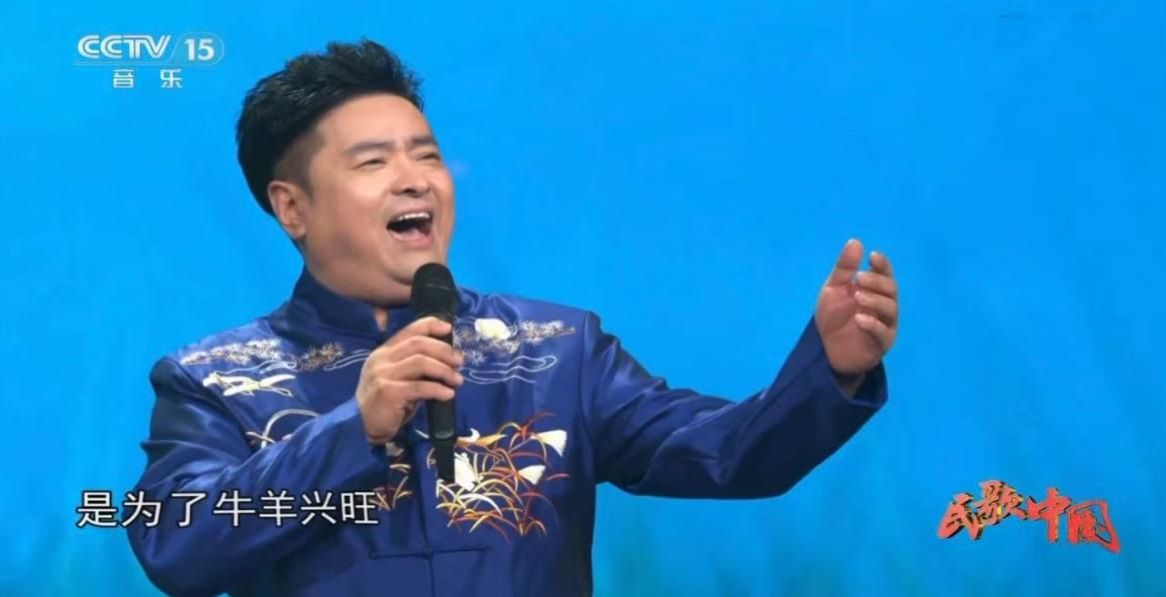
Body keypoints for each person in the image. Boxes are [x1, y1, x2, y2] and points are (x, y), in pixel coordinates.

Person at [126, 39, 900, 597]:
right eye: (374, 162)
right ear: (292, 206)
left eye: (426, 155)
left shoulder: (560, 349)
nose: (415, 180)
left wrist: (831, 369)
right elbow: (175, 545)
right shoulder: (216, 380)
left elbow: (731, 455)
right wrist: (353, 428)